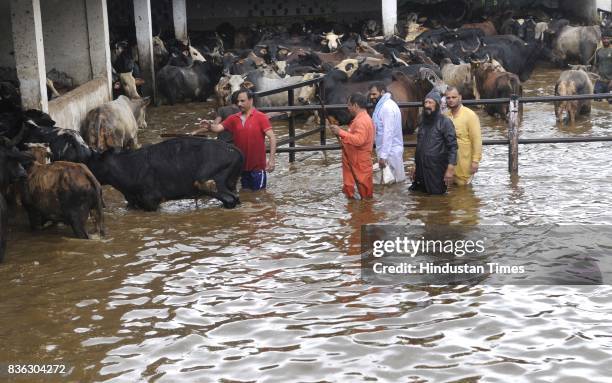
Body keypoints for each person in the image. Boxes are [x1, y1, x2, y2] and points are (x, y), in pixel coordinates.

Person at [198, 88, 276, 191]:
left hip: (257, 167)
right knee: (245, 194)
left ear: (251, 100)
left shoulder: (261, 117)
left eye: (242, 101)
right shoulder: (233, 118)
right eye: (238, 101)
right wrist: (209, 126)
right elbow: (218, 128)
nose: (239, 104)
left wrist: (271, 160)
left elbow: (272, 137)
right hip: (241, 167)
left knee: (260, 194)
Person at [409, 90, 457, 194]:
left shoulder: (445, 122)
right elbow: (419, 145)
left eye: (430, 103)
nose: (427, 105)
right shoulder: (422, 121)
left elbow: (453, 147)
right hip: (421, 168)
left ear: (437, 105)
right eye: (425, 102)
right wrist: (415, 164)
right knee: (420, 198)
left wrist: (450, 169)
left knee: (436, 200)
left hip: (436, 169)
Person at [329, 93, 375, 199]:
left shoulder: (361, 121)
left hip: (358, 163)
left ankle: (360, 213)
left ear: (356, 105)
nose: (348, 108)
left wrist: (340, 132)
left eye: (349, 105)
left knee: (361, 195)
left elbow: (359, 140)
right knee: (360, 194)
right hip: (356, 162)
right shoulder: (362, 119)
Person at [368, 82, 406, 183]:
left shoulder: (386, 108)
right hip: (389, 150)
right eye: (371, 94)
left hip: (390, 152)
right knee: (391, 182)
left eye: (374, 94)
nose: (372, 97)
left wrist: (383, 156)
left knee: (393, 183)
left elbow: (388, 133)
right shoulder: (384, 105)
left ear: (382, 92)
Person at [444, 87, 482, 185]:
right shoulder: (445, 116)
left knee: (464, 195)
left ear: (460, 97)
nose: (451, 100)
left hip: (465, 165)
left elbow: (477, 140)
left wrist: (475, 161)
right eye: (448, 98)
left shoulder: (470, 115)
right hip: (448, 166)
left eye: (454, 97)